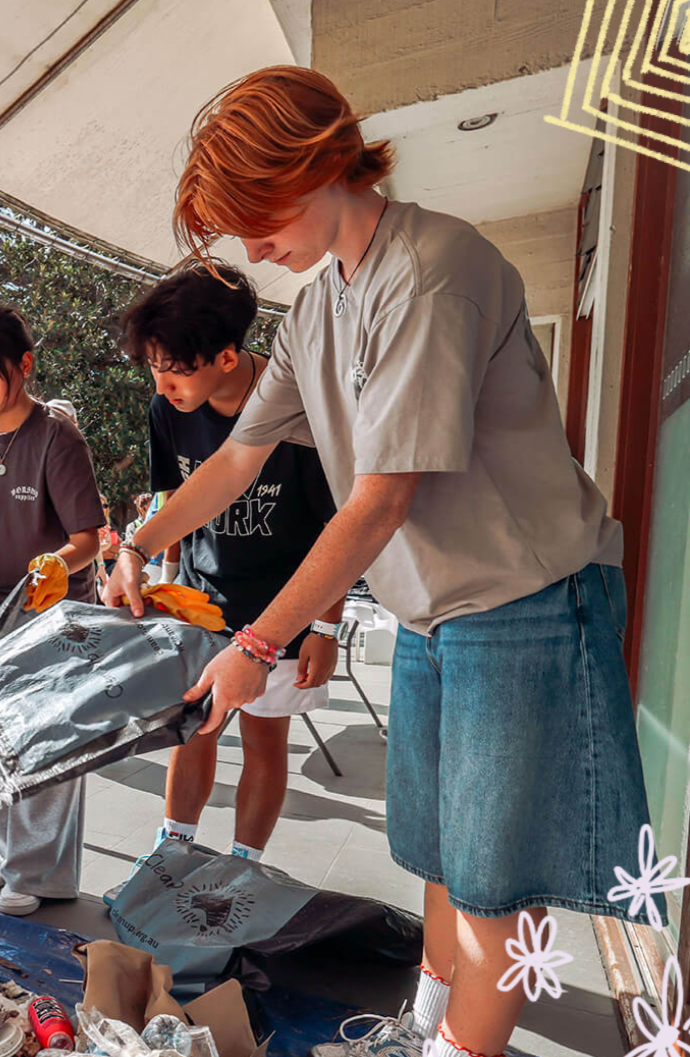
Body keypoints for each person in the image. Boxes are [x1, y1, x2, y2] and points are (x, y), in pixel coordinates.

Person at [106, 66, 653, 1057]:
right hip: (431, 612)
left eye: (254, 214)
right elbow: (237, 456)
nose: (250, 247)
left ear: (316, 165)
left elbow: (378, 499)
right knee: (442, 864)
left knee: (494, 886)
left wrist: (262, 641)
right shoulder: (319, 308)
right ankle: (423, 1030)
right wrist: (139, 540)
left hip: (522, 605)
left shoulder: (435, 268)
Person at [105, 260, 342, 863]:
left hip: (284, 607)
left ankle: (243, 867)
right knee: (194, 728)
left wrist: (324, 625)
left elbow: (338, 527)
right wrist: (153, 575)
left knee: (265, 739)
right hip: (201, 600)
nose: (162, 387)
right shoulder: (168, 410)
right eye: (153, 369)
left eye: (176, 372)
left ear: (228, 358)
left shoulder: (303, 409)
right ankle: (173, 850)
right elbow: (173, 500)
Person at [0, 305, 105, 916]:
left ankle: (35, 872)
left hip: (57, 613)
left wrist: (59, 561)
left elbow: (90, 535)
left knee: (49, 744)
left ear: (24, 366)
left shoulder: (57, 435)